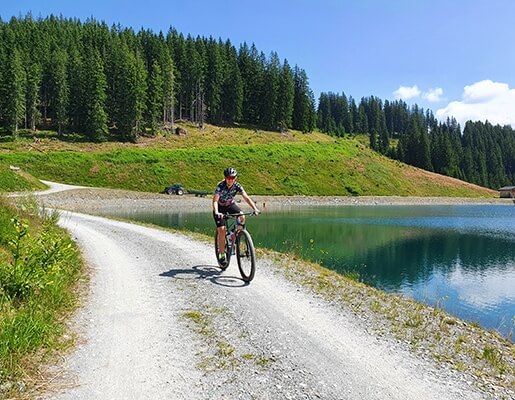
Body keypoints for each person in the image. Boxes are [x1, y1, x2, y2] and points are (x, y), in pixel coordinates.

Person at [213, 167, 260, 263]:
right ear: (225, 178)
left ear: (235, 178)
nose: (230, 180)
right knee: (222, 230)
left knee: (242, 216)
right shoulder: (220, 186)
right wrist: (217, 212)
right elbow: (215, 200)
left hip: (230, 205)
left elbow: (246, 197)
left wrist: (255, 208)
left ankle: (233, 236)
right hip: (219, 207)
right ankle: (222, 254)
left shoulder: (237, 186)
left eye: (232, 178)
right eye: (228, 178)